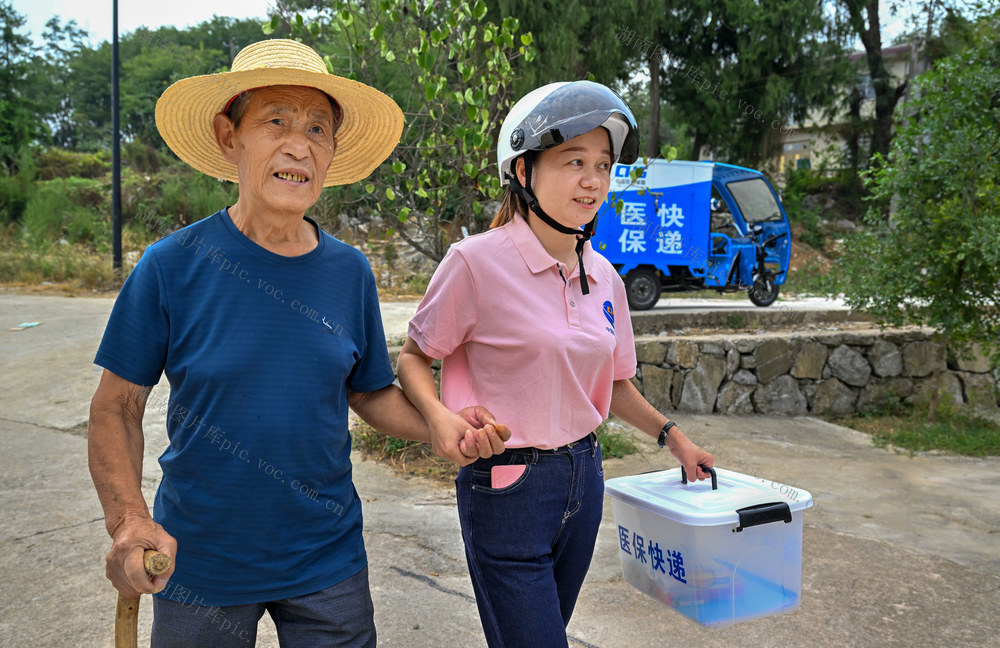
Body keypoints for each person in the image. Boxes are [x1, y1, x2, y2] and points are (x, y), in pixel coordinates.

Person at [88, 39, 507, 648]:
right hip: (197, 560)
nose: (298, 144)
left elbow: (369, 395)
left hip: (326, 560)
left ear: (332, 152)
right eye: (275, 122)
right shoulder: (172, 266)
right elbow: (115, 407)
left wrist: (442, 423)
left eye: (317, 128)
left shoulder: (349, 272)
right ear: (229, 136)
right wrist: (128, 520)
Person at [396, 81, 715, 648]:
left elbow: (612, 388)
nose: (593, 181)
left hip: (584, 480)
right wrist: (437, 418)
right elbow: (416, 358)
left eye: (603, 164)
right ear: (523, 172)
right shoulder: (475, 263)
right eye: (573, 162)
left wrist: (674, 438)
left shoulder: (606, 276)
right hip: (508, 484)